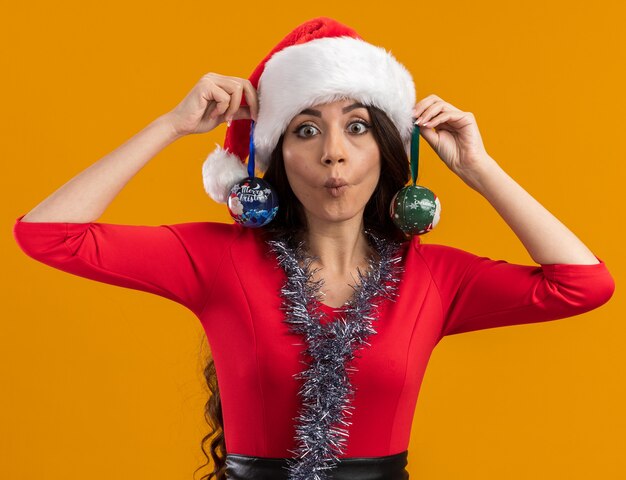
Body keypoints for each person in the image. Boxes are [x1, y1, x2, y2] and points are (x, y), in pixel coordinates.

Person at [13, 16, 615, 480]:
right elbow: (48, 235)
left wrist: (480, 169)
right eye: (306, 129)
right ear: (274, 157)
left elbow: (583, 284)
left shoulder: (433, 277)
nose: (334, 152)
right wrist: (172, 125)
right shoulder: (217, 259)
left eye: (357, 126)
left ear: (385, 147)